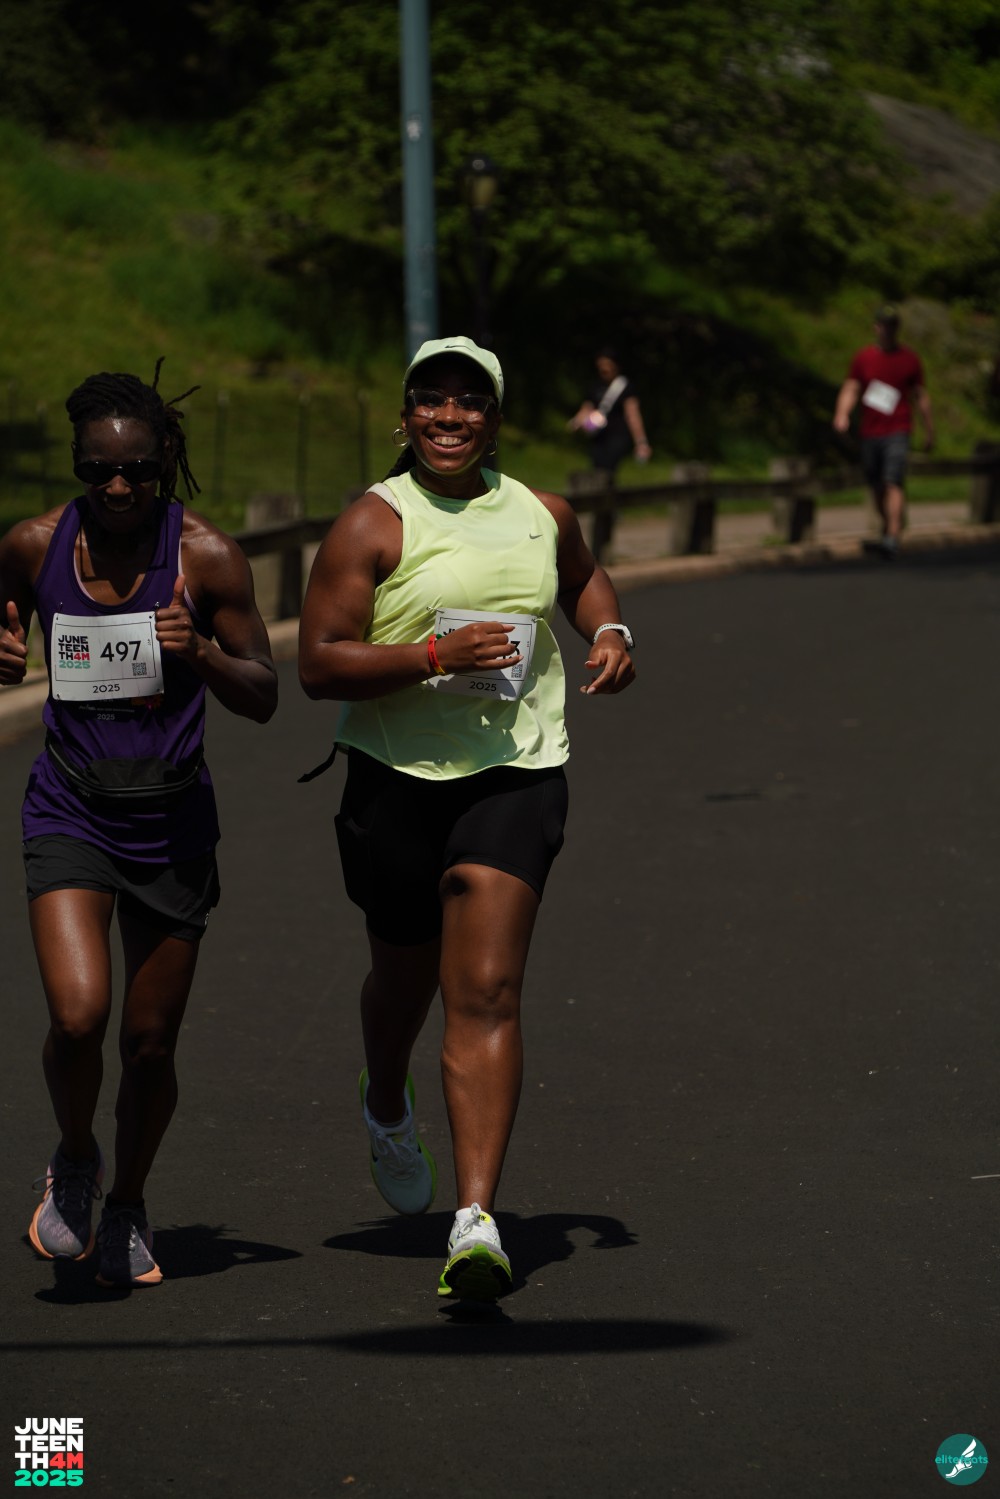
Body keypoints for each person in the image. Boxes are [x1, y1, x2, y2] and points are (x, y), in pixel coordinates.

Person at [298, 335, 636, 1303]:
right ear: (405, 415)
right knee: (403, 975)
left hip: (515, 771)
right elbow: (318, 662)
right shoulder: (374, 521)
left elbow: (582, 577)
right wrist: (432, 658)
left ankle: (476, 1219)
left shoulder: (542, 512)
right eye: (431, 399)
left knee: (484, 987)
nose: (449, 416)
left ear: (495, 416)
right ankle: (385, 1093)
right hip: (394, 778)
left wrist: (610, 629)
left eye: (469, 400)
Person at [0, 366, 277, 1288]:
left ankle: (128, 1201)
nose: (118, 487)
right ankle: (76, 1157)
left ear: (164, 460)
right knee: (79, 1015)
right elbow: (4, 628)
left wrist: (199, 652)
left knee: (149, 1043)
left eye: (138, 470)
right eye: (98, 470)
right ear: (77, 463)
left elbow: (265, 691)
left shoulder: (207, 557)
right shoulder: (33, 544)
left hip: (170, 820)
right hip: (70, 804)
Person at [833, 304, 934, 559]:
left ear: (897, 328)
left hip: (898, 428)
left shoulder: (909, 359)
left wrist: (928, 429)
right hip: (870, 430)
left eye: (891, 325)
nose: (887, 330)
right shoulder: (864, 358)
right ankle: (889, 523)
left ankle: (892, 535)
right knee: (876, 484)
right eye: (883, 325)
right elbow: (851, 387)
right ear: (876, 327)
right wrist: (842, 413)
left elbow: (920, 395)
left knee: (892, 480)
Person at [567, 347, 651, 478]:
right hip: (598, 436)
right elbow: (587, 408)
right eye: (601, 365)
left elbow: (633, 415)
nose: (604, 369)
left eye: (607, 364)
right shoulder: (595, 386)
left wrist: (641, 442)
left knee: (608, 468)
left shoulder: (625, 387)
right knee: (596, 466)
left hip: (617, 436)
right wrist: (576, 422)